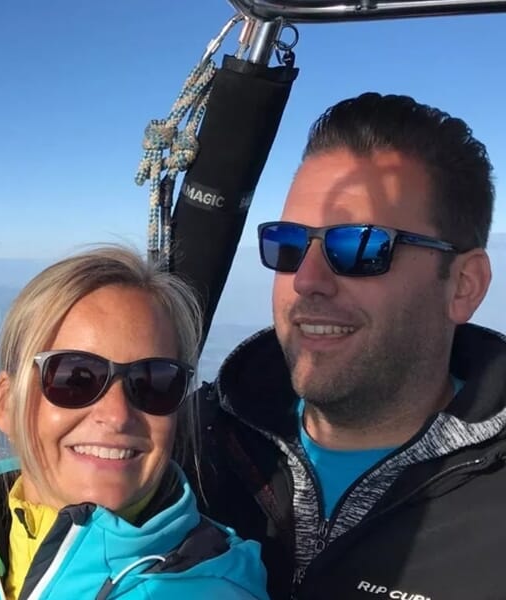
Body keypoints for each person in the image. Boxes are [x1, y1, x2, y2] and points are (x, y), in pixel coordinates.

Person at [191, 93, 506, 600]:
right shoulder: (190, 446)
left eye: (359, 246)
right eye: (290, 244)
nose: (306, 280)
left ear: (463, 284)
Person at [0, 246, 268, 600]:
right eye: (74, 378)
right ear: (6, 402)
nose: (117, 415)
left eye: (154, 381)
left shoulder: (214, 592)